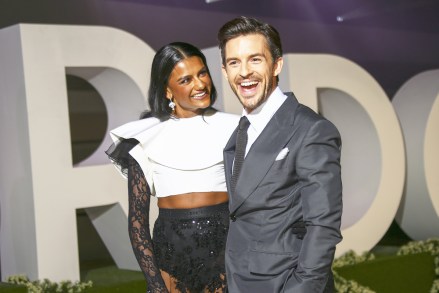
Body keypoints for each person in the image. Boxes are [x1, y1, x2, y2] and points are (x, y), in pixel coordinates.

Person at [218, 16, 343, 292]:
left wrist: (301, 288)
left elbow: (323, 227)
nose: (244, 72)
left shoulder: (312, 130)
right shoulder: (241, 130)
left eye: (255, 60)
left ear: (277, 64)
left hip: (284, 284)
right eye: (234, 62)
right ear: (225, 71)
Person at [106, 42, 239, 293]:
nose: (200, 84)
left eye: (202, 73)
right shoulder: (145, 136)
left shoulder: (234, 128)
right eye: (186, 79)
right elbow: (137, 224)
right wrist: (155, 285)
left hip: (223, 251)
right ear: (167, 90)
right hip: (171, 255)